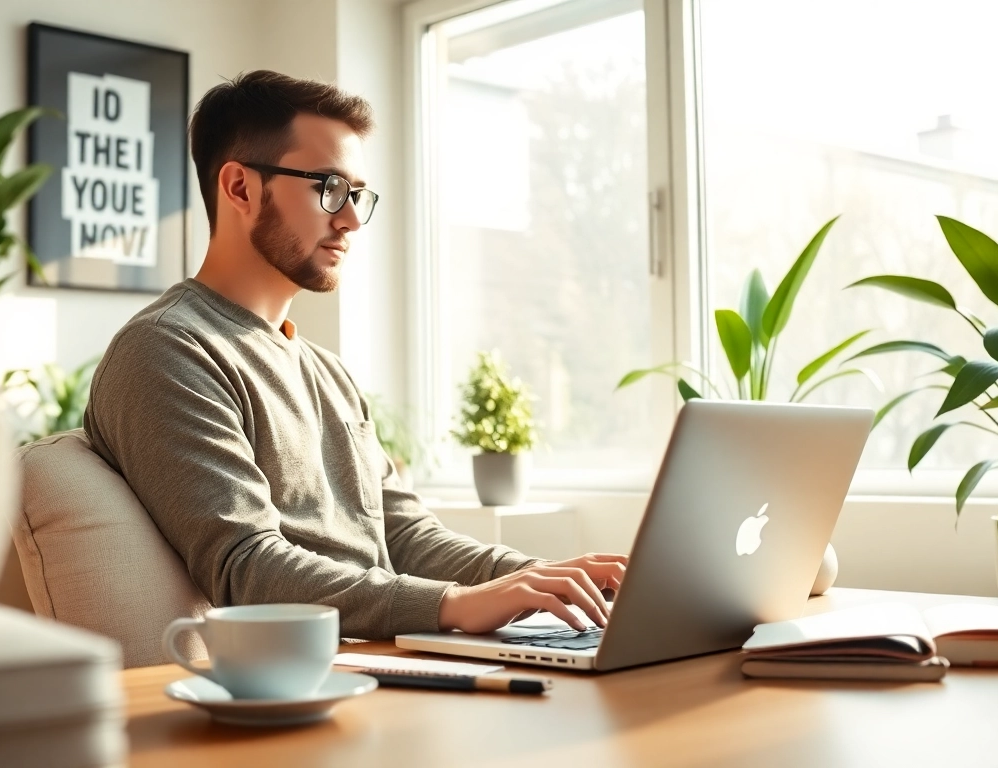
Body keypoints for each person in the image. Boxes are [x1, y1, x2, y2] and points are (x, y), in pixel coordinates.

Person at [84, 70, 627, 640]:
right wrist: (454, 604)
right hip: (312, 678)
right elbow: (247, 567)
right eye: (329, 188)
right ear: (241, 188)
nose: (348, 219)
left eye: (358, 196)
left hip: (386, 661)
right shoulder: (167, 351)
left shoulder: (327, 371)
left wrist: (539, 577)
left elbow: (403, 533)